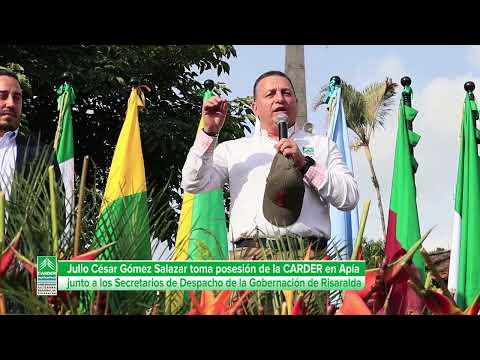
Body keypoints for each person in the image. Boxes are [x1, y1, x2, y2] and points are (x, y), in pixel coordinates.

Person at [181, 70, 359, 257]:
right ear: (255, 107)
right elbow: (194, 183)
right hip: (251, 256)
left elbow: (349, 198)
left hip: (309, 256)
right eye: (270, 94)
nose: (280, 99)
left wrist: (306, 166)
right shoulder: (233, 150)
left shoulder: (322, 145)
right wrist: (208, 133)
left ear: (296, 103)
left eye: (286, 93)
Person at [0, 69, 63, 220]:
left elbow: (56, 217)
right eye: (2, 96)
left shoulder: (42, 155)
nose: (11, 104)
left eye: (17, 98)